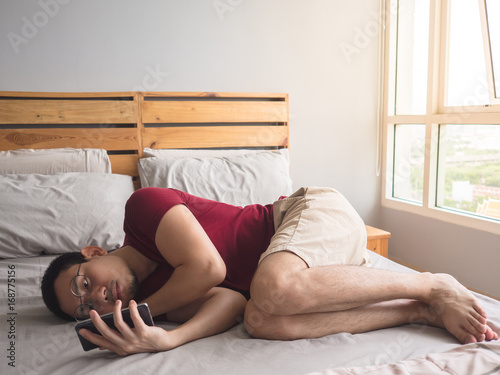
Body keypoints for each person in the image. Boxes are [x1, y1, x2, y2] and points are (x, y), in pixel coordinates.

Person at [41, 187, 498, 356]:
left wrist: (144, 310)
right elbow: (230, 300)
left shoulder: (141, 211)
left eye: (84, 283)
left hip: (309, 214)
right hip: (317, 272)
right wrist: (165, 337)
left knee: (272, 287)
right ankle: (416, 310)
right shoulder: (160, 300)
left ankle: (432, 282)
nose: (99, 299)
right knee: (261, 321)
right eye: (87, 308)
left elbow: (208, 268)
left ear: (93, 251)